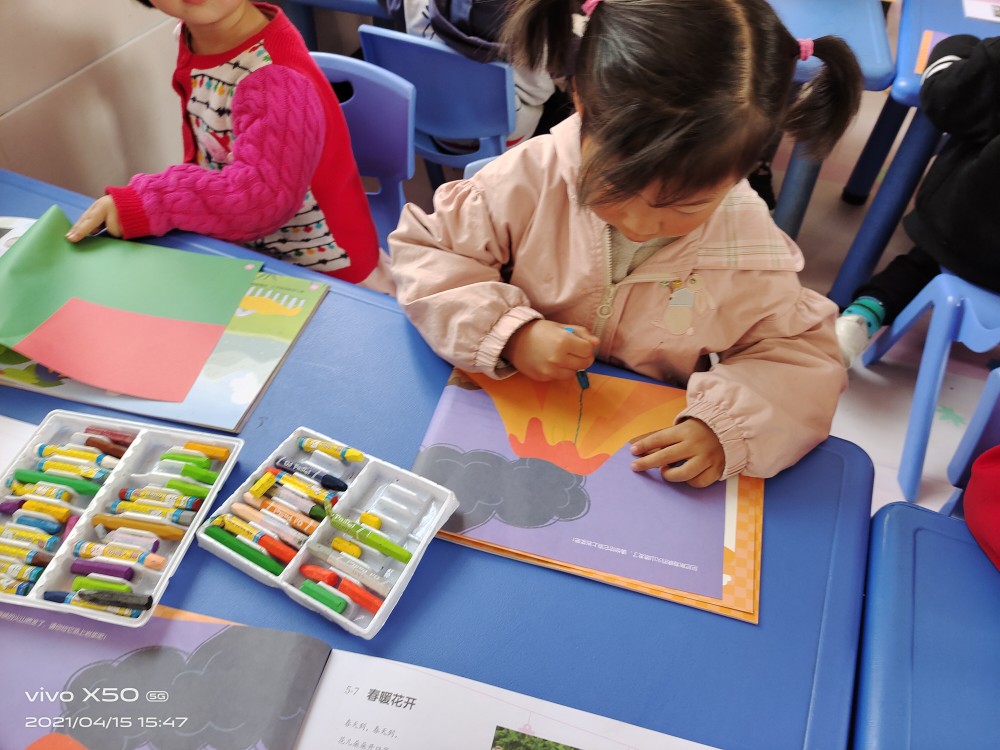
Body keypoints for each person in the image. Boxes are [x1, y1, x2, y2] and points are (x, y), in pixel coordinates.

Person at [389, 0, 863, 487]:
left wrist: (725, 427)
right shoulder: (532, 177)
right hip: (506, 411)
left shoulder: (747, 246)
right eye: (618, 186)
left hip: (639, 455)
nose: (641, 223)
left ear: (743, 168)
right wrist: (510, 333)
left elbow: (802, 360)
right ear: (581, 100)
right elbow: (431, 253)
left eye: (685, 205)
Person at [66, 0, 387, 288]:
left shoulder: (275, 78)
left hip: (327, 280)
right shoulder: (197, 34)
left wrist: (154, 201)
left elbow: (263, 199)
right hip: (244, 252)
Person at [836, 35, 1000, 366]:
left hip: (962, 232)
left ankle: (864, 314)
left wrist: (954, 46)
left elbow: (944, 97)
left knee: (920, 266)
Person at [398, 0, 566, 147]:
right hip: (502, 138)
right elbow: (550, 83)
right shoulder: (542, 16)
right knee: (564, 98)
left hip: (429, 123)